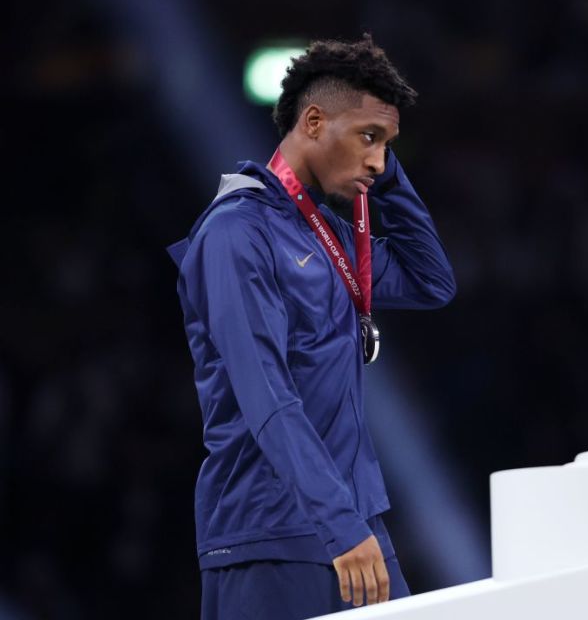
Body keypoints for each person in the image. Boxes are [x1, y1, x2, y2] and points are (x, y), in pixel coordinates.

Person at [166, 34, 455, 619]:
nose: (377, 159)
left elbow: (432, 281)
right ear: (315, 121)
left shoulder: (330, 239)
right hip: (268, 530)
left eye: (388, 145)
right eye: (369, 138)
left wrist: (389, 174)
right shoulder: (234, 235)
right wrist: (338, 524)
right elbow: (265, 395)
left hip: (352, 521)